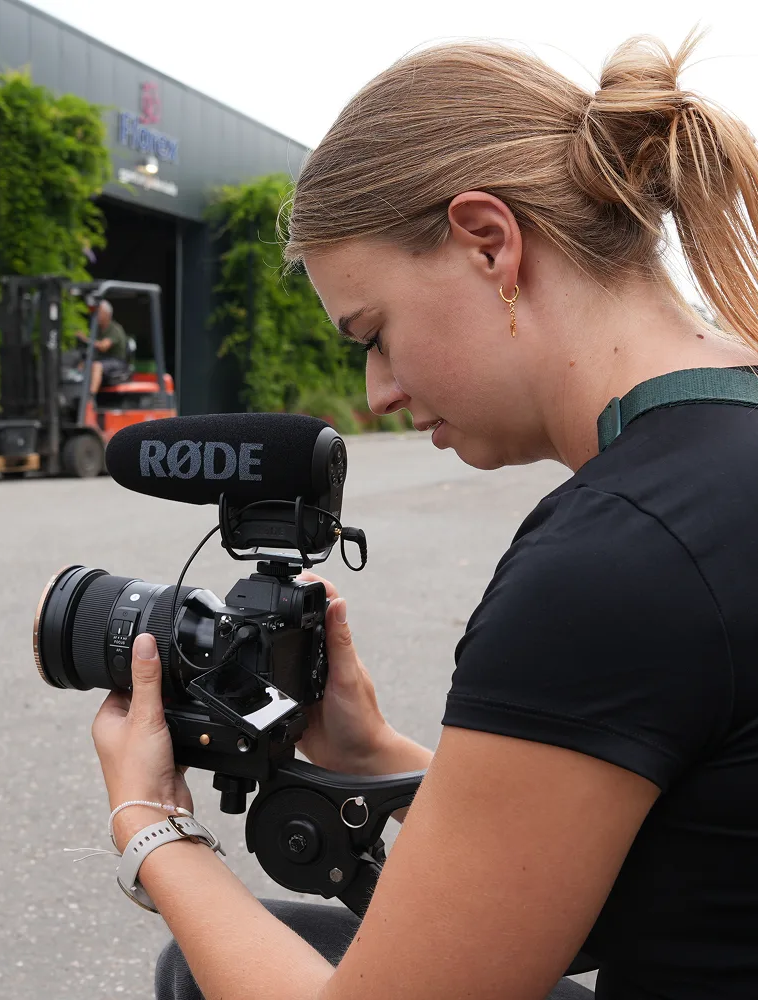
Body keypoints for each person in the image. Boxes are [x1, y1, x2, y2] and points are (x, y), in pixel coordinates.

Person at [90, 30, 758, 1000]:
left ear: (489, 242)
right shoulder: (714, 466)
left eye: (374, 333)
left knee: (205, 967)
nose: (378, 392)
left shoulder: (618, 556)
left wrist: (153, 828)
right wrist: (373, 758)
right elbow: (661, 860)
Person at [79, 299, 129, 394]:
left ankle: (90, 397)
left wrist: (86, 340)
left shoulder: (114, 329)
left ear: (107, 314)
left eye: (99, 312)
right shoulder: (98, 329)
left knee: (97, 366)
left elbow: (103, 346)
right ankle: (78, 393)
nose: (96, 315)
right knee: (82, 364)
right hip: (104, 360)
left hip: (117, 361)